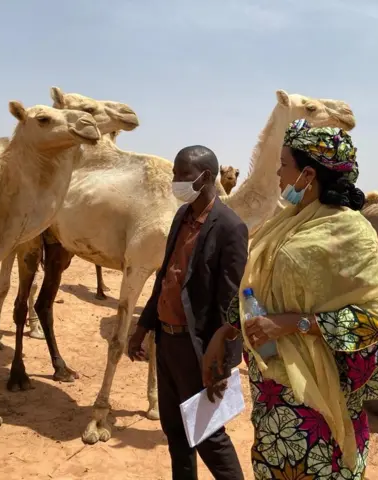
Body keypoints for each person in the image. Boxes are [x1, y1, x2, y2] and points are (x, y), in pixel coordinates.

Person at [202, 120, 378, 479]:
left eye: (283, 164)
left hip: (320, 390)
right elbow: (257, 284)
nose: (277, 173)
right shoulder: (285, 221)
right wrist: (224, 332)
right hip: (273, 386)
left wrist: (290, 323)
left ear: (307, 173)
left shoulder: (352, 231)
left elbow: (377, 318)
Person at [128, 145, 247, 480]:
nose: (174, 181)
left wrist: (220, 362)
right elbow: (165, 278)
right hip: (166, 345)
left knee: (211, 439)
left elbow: (230, 302)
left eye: (181, 175)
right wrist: (142, 329)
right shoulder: (181, 217)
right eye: (174, 174)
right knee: (176, 437)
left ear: (205, 177)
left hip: (200, 352)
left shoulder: (230, 227)